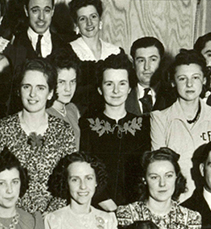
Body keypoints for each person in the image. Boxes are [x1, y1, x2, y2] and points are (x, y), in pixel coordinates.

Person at [0, 58, 76, 213]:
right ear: (18, 90)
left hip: (55, 217)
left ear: (50, 93)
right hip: (14, 216)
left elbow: (69, 178)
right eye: (26, 86)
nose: (32, 94)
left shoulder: (64, 130)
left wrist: (49, 216)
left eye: (40, 88)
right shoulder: (2, 129)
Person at [150, 48, 211, 195]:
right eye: (182, 78)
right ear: (173, 82)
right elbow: (160, 167)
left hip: (207, 197)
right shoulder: (160, 119)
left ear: (204, 80)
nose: (189, 84)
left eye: (195, 78)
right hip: (174, 197)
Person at [80, 53, 151, 208]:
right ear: (100, 89)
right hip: (98, 205)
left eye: (122, 84)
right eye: (109, 84)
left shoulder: (144, 125)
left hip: (137, 206)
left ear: (130, 88)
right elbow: (85, 167)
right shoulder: (87, 124)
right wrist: (104, 201)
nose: (116, 91)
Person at [116, 148, 203, 229]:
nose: (162, 183)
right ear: (144, 180)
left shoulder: (191, 218)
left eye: (168, 176)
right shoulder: (128, 214)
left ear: (176, 177)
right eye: (154, 177)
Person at [43, 151, 118, 229]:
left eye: (89, 178)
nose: (83, 186)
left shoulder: (109, 220)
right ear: (66, 182)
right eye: (75, 180)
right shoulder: (53, 220)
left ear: (96, 181)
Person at [3, 0, 74, 78]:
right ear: (26, 11)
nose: (41, 17)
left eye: (47, 10)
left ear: (53, 11)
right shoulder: (13, 46)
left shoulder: (65, 46)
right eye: (35, 10)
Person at [128, 37, 173, 115]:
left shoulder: (172, 96)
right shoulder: (122, 95)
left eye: (153, 60)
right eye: (141, 60)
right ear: (133, 64)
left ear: (161, 62)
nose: (146, 67)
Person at [46, 56, 82, 148]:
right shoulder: (45, 114)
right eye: (61, 82)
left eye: (72, 82)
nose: (68, 89)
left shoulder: (72, 108)